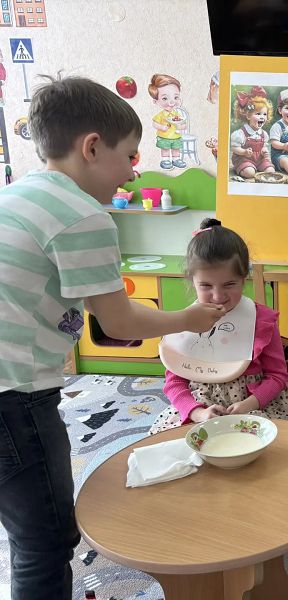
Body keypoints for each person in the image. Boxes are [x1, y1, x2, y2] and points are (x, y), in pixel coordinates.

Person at [0, 75, 225, 600]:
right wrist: (188, 318)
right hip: (14, 395)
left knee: (22, 521)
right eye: (128, 156)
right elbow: (118, 322)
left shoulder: (17, 195)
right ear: (92, 147)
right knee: (43, 541)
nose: (133, 171)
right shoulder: (82, 215)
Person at [150, 218, 288, 434]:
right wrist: (197, 413)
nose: (218, 296)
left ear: (244, 278)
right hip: (199, 410)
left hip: (255, 406)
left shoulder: (262, 321)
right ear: (192, 281)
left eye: (229, 284)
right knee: (172, 446)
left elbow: (277, 376)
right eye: (206, 285)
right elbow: (174, 383)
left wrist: (249, 404)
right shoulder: (184, 322)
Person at [230, 85, 275, 180]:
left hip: (259, 160)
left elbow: (263, 146)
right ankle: (240, 168)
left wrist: (264, 151)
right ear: (248, 115)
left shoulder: (264, 134)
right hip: (244, 159)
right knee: (250, 173)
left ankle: (258, 168)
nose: (262, 117)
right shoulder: (241, 133)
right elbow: (234, 148)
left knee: (271, 171)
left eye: (264, 114)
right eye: (258, 114)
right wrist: (244, 152)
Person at [148, 73, 187, 170]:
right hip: (164, 137)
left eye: (176, 97)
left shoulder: (176, 114)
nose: (171, 102)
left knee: (176, 149)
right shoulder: (161, 115)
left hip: (176, 136)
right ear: (156, 101)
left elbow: (183, 124)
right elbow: (154, 123)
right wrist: (162, 127)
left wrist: (181, 127)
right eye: (165, 98)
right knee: (165, 149)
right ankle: (165, 160)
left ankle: (176, 160)